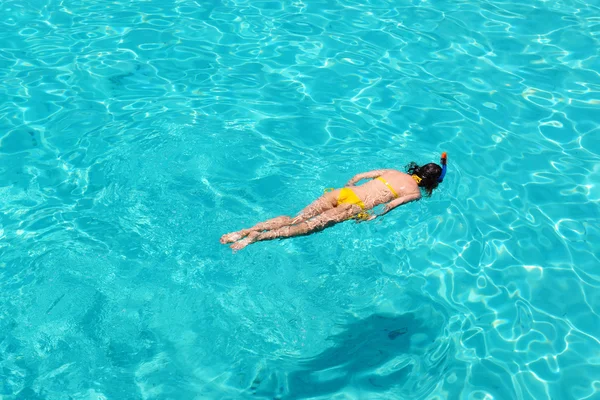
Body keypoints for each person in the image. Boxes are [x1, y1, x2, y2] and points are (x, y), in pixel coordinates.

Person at [221, 153, 448, 250]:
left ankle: (245, 230)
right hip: (352, 208)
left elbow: (359, 176)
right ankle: (257, 238)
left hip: (341, 194)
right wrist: (372, 217)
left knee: (295, 218)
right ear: (431, 183)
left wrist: (350, 186)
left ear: (417, 169)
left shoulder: (392, 172)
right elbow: (389, 206)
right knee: (301, 229)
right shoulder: (414, 193)